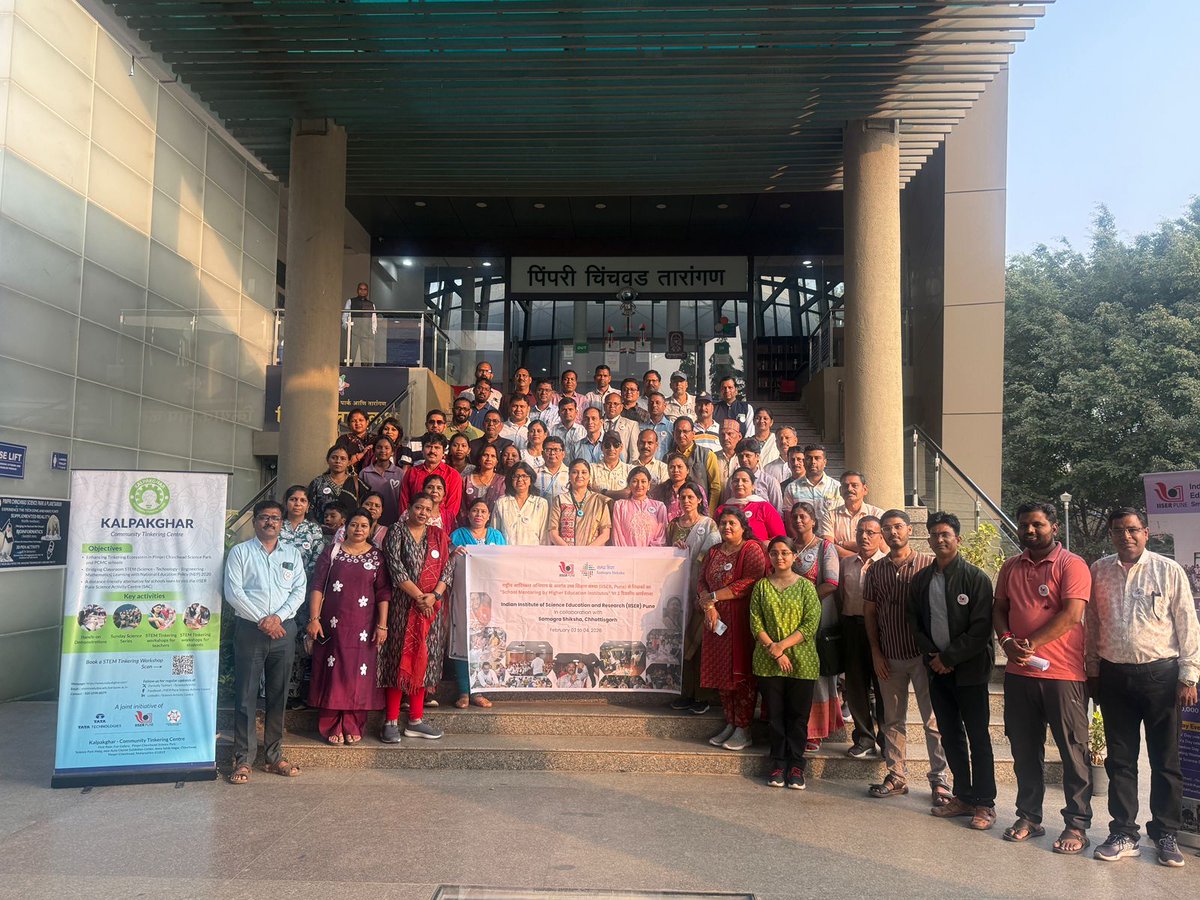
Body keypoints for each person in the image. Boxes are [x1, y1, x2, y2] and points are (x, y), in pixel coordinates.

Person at [1087, 507, 1200, 866]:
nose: (1126, 537)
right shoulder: (1099, 570)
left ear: (1146, 533)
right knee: (1120, 760)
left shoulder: (1168, 570)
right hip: (1114, 676)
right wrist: (1093, 671)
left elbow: (1187, 621)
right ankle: (1123, 832)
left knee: (1165, 759)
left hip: (1161, 677)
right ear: (1111, 534)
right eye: (1118, 531)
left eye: (1133, 530)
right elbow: (1091, 625)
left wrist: (1189, 674)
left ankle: (1165, 833)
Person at [993, 500, 1093, 853]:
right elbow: (1000, 608)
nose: (1029, 531)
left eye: (1037, 524)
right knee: (1024, 748)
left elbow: (1072, 615)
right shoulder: (1010, 566)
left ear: (1054, 527)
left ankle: (1076, 826)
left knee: (1072, 751)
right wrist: (1006, 641)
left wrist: (1031, 643)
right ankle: (1029, 817)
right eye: (1024, 525)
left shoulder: (1072, 565)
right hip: (1019, 674)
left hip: (1063, 674)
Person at [909, 511, 997, 831]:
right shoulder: (921, 580)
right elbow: (915, 623)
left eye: (945, 534)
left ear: (957, 539)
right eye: (934, 534)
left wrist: (949, 658)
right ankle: (963, 796)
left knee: (978, 736)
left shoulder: (976, 579)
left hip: (970, 672)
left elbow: (981, 629)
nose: (940, 539)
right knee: (950, 735)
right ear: (929, 540)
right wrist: (934, 656)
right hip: (937, 670)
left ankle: (985, 803)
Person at [863, 509, 950, 805]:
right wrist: (875, 651)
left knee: (933, 720)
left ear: (910, 530)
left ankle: (940, 779)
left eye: (898, 526)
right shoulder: (875, 570)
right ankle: (897, 775)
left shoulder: (929, 565)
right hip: (890, 655)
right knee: (892, 720)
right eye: (886, 529)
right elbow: (871, 612)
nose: (892, 533)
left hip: (925, 657)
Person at [223, 500, 307, 783]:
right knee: (246, 696)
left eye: (275, 518)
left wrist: (278, 619)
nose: (269, 522)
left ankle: (273, 757)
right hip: (250, 631)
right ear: (255, 522)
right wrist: (263, 620)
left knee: (278, 694)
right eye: (263, 518)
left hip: (283, 632)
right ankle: (243, 759)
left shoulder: (292, 554)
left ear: (281, 523)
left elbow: (299, 591)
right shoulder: (240, 552)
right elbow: (233, 592)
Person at [305, 508, 391, 744]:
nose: (359, 529)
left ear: (370, 528)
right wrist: (314, 619)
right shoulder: (332, 552)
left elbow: (383, 592)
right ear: (346, 526)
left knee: (358, 674)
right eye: (354, 524)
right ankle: (331, 724)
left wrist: (382, 626)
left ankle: (353, 724)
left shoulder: (377, 557)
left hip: (363, 626)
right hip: (333, 624)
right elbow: (318, 585)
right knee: (333, 671)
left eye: (364, 525)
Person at [377, 492, 456, 742]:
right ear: (409, 508)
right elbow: (395, 568)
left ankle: (416, 720)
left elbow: (448, 568)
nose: (422, 512)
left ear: (434, 513)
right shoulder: (396, 532)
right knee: (398, 659)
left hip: (431, 610)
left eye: (427, 509)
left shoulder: (438, 536)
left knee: (425, 658)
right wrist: (420, 597)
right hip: (402, 607)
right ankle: (390, 720)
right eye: (418, 507)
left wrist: (434, 596)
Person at [752, 536, 823, 790]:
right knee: (775, 716)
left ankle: (796, 764)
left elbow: (810, 623)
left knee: (797, 717)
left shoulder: (806, 587)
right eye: (774, 553)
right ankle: (778, 762)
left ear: (795, 556)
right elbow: (755, 622)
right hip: (768, 661)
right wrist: (775, 650)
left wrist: (783, 646)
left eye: (784, 553)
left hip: (801, 661)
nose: (779, 557)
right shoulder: (761, 587)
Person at [698, 508, 769, 751]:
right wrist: (708, 606)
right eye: (723, 523)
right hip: (715, 621)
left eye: (732, 523)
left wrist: (713, 596)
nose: (727, 527)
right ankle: (730, 722)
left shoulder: (751, 549)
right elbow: (701, 581)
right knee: (722, 674)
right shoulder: (714, 551)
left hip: (740, 620)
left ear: (742, 526)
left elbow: (751, 580)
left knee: (741, 674)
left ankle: (744, 727)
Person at [786, 501, 842, 752]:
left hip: (816, 620)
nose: (799, 521)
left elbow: (831, 583)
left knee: (815, 675)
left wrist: (802, 605)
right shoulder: (786, 546)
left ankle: (814, 730)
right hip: (785, 621)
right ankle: (791, 723)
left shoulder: (824, 547)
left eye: (803, 517)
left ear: (813, 521)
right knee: (791, 673)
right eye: (795, 516)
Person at [667, 483, 721, 713]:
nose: (686, 501)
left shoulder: (708, 525)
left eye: (690, 497)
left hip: (700, 591)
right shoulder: (673, 526)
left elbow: (711, 556)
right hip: (675, 592)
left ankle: (703, 695)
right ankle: (685, 693)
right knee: (680, 642)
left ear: (700, 499)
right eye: (682, 497)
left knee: (699, 643)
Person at [448, 499, 505, 710]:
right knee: (464, 641)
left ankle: (479, 691)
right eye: (475, 510)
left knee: (484, 643)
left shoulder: (496, 537)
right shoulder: (458, 535)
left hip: (489, 598)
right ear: (468, 514)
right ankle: (464, 691)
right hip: (464, 597)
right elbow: (448, 561)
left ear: (489, 516)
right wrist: (453, 554)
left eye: (483, 511)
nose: (478, 514)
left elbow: (504, 564)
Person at [838, 516, 887, 759]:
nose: (864, 537)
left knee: (882, 687)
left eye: (870, 532)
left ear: (880, 537)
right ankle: (864, 738)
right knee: (856, 686)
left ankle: (886, 740)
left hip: (881, 631)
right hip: (851, 627)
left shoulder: (886, 564)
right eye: (860, 532)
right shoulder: (846, 563)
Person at [279, 484, 327, 704]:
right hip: (277, 594)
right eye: (293, 499)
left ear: (308, 506)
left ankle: (293, 694)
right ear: (286, 502)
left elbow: (318, 564)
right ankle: (269, 692)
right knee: (276, 640)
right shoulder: (277, 526)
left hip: (304, 594)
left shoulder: (314, 530)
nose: (297, 504)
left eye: (302, 500)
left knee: (299, 642)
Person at [399, 432, 463, 525]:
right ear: (422, 450)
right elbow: (404, 502)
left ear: (443, 452)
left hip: (441, 526)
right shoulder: (412, 472)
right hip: (413, 525)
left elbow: (452, 507)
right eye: (428, 446)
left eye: (437, 448)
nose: (432, 451)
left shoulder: (453, 475)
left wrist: (440, 525)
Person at [547, 460, 613, 547]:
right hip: (565, 554)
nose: (579, 476)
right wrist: (570, 551)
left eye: (584, 472)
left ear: (589, 476)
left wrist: (585, 552)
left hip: (592, 554)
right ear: (569, 476)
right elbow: (553, 532)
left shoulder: (599, 500)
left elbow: (605, 534)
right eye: (574, 472)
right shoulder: (559, 500)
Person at [822, 470, 885, 556]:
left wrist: (842, 544)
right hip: (842, 567)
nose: (849, 489)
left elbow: (881, 546)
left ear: (865, 490)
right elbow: (828, 548)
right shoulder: (830, 516)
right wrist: (857, 558)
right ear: (840, 490)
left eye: (854, 485)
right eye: (845, 486)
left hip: (872, 567)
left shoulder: (877, 514)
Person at [716, 468, 786, 542]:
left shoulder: (764, 507)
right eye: (736, 481)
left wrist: (766, 544)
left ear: (753, 486)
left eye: (744, 480)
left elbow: (780, 538)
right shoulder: (721, 509)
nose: (739, 484)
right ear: (731, 485)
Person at [782, 444, 842, 527]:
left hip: (830, 537)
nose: (813, 461)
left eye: (817, 458)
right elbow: (789, 520)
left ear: (825, 462)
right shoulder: (792, 488)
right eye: (809, 458)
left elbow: (840, 517)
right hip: (801, 538)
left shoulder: (836, 487)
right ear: (804, 461)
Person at [492, 462, 548, 545]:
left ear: (531, 480)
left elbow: (544, 536)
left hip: (533, 555)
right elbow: (494, 533)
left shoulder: (541, 503)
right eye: (516, 476)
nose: (520, 480)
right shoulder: (502, 503)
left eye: (524, 476)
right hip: (506, 555)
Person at [307, 445, 367, 522]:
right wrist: (317, 528)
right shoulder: (317, 483)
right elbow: (309, 509)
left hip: (349, 532)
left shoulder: (358, 483)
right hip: (322, 531)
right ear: (327, 460)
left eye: (343, 458)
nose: (338, 461)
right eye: (334, 457)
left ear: (349, 462)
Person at [719, 438, 783, 511]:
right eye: (740, 456)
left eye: (748, 455)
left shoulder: (770, 481)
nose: (744, 460)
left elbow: (777, 511)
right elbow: (727, 506)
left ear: (757, 456)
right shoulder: (733, 480)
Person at [612, 467, 669, 547]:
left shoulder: (659, 507)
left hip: (653, 556)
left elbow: (661, 537)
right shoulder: (620, 506)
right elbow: (617, 536)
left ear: (649, 484)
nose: (639, 485)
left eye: (643, 481)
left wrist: (646, 555)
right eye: (635, 481)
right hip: (626, 556)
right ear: (629, 484)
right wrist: (628, 556)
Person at [670, 416, 721, 501]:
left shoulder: (707, 454)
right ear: (673, 434)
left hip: (700, 508)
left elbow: (715, 487)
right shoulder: (668, 457)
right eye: (678, 431)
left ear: (693, 434)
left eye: (685, 431)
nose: (681, 435)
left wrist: (710, 512)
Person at [358, 435, 404, 526]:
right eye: (379, 447)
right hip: (369, 522)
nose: (383, 451)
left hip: (394, 521)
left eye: (387, 448)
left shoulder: (400, 473)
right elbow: (360, 498)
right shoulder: (365, 473)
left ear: (392, 452)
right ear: (374, 451)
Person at [653, 452, 708, 520]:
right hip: (668, 529)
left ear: (687, 470)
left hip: (693, 528)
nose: (676, 470)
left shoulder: (696, 489)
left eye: (679, 467)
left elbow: (704, 512)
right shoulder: (659, 490)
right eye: (672, 467)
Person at [459, 444, 506, 522]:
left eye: (493, 456)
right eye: (485, 455)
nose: (489, 459)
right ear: (479, 459)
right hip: (468, 527)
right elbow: (461, 507)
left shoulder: (502, 481)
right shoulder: (466, 480)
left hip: (494, 527)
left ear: (497, 461)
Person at [590, 432, 634, 500]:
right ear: (601, 447)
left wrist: (602, 492)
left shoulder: (630, 470)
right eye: (607, 445)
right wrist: (618, 494)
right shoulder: (591, 469)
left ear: (621, 447)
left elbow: (628, 493)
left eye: (616, 445)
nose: (611, 449)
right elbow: (588, 492)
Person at [342, 282, 376, 366]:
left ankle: (365, 375)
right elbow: (344, 316)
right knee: (350, 355)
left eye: (364, 289)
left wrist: (373, 331)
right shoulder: (350, 301)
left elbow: (374, 319)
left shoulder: (371, 304)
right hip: (353, 333)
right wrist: (348, 328)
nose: (362, 291)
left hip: (366, 334)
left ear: (367, 291)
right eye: (361, 289)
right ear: (357, 290)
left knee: (366, 358)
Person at [602, 391, 639, 462]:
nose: (612, 406)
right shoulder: (596, 423)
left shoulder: (631, 425)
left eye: (615, 404)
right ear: (604, 406)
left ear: (621, 407)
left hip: (622, 468)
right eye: (609, 403)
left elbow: (634, 453)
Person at [713, 419, 744, 488]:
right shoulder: (712, 457)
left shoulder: (746, 458)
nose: (726, 438)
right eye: (722, 434)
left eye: (730, 434)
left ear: (739, 436)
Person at [644, 392, 674, 458]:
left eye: (657, 403)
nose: (654, 405)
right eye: (651, 403)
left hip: (664, 465)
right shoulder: (640, 427)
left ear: (664, 406)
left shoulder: (672, 427)